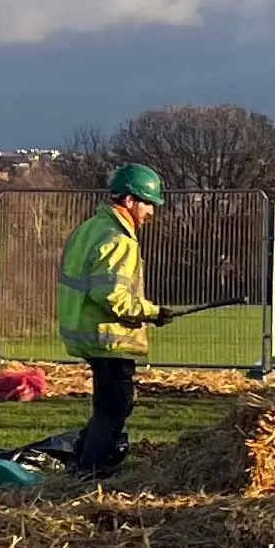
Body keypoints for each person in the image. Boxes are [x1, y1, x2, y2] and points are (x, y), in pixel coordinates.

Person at [54, 162, 171, 473]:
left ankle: (82, 457)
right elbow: (111, 297)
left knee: (110, 405)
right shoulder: (118, 239)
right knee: (115, 407)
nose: (151, 213)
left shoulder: (89, 228)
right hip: (108, 338)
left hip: (87, 332)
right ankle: (91, 470)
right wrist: (153, 312)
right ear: (129, 201)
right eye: (148, 203)